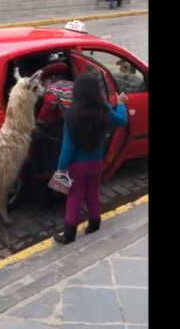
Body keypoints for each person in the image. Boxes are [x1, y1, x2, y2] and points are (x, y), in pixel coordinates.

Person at [52, 73, 129, 244]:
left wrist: (60, 169)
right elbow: (121, 121)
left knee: (74, 197)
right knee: (92, 193)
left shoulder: (72, 114)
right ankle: (94, 223)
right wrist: (121, 104)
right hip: (96, 162)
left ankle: (69, 233)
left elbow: (68, 146)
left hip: (77, 166)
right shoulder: (104, 109)